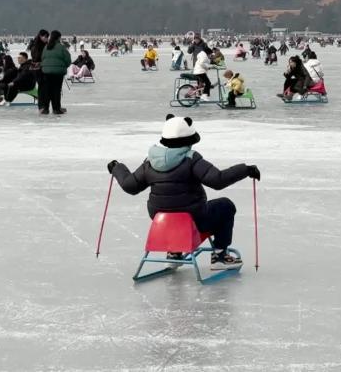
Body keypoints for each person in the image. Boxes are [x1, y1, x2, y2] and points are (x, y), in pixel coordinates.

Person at [108, 115, 261, 270]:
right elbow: (218, 180)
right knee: (225, 206)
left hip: (161, 221)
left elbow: (130, 186)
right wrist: (246, 170)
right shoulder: (191, 159)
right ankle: (220, 255)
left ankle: (173, 253)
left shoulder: (150, 162)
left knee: (172, 209)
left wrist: (117, 168)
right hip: (193, 220)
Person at [38, 30, 71, 115]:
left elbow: (43, 58)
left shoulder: (46, 47)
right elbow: (68, 60)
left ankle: (45, 109)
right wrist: (63, 66)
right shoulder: (61, 47)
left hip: (46, 72)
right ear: (59, 37)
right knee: (56, 90)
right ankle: (56, 109)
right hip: (58, 73)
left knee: (47, 90)